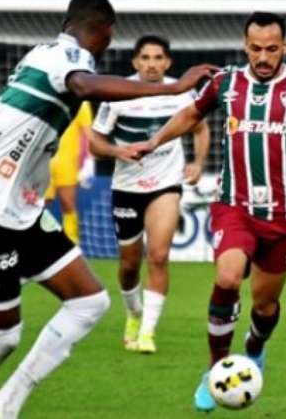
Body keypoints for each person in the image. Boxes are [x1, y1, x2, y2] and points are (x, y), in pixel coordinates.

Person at [0, 0, 216, 417]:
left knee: (90, 302)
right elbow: (84, 87)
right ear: (107, 33)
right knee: (0, 338)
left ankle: (4, 406)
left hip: (18, 209)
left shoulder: (41, 55)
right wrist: (175, 86)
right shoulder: (69, 60)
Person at [131, 12, 286, 412]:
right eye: (255, 48)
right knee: (228, 277)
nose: (262, 56)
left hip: (281, 218)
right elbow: (191, 115)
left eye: (271, 48)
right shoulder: (226, 84)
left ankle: (255, 346)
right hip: (235, 207)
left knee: (264, 306)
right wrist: (155, 140)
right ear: (244, 45)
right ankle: (216, 371)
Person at [89, 35, 210, 354]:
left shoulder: (183, 92)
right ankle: (133, 313)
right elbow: (95, 144)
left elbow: (200, 128)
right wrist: (118, 151)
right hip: (127, 187)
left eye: (158, 58)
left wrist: (198, 162)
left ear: (168, 62)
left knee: (158, 256)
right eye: (145, 58)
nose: (152, 64)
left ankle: (147, 333)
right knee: (129, 265)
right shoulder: (117, 94)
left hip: (166, 184)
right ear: (135, 62)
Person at [45, 100, 95, 244]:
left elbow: (88, 134)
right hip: (44, 159)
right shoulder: (51, 98)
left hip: (67, 162)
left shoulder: (82, 104)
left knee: (67, 203)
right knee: (39, 204)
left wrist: (89, 163)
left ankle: (72, 243)